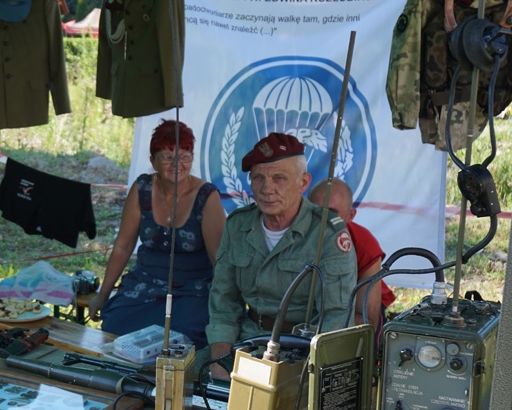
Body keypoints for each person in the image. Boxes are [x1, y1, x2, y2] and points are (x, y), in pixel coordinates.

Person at [206, 132, 357, 379]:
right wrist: (219, 362)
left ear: (303, 183)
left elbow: (336, 316)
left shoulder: (327, 234)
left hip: (302, 350)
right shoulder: (238, 226)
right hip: (248, 341)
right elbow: (223, 302)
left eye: (279, 178)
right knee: (187, 383)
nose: (267, 189)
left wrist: (312, 374)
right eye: (258, 178)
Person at [88, 120, 226, 350]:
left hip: (193, 290)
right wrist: (102, 295)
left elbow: (219, 260)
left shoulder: (206, 196)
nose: (177, 164)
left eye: (184, 156)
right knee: (115, 326)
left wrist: (227, 310)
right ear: (153, 161)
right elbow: (123, 246)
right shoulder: (142, 188)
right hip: (145, 284)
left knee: (181, 337)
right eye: (167, 157)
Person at [308, 178, 396, 331]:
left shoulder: (363, 243)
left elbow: (367, 321)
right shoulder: (289, 233)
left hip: (344, 316)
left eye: (331, 213)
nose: (321, 220)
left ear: (350, 216)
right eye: (315, 211)